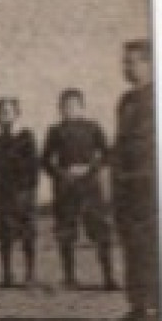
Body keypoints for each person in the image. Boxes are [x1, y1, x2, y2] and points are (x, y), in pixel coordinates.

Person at [42, 89, 115, 290]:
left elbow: (108, 154)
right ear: (60, 109)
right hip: (65, 189)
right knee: (66, 232)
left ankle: (108, 277)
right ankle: (70, 277)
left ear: (82, 107)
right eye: (65, 106)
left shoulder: (93, 127)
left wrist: (90, 168)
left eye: (73, 105)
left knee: (100, 231)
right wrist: (62, 174)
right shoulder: (54, 130)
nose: (69, 109)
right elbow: (46, 160)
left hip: (90, 188)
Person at [114, 39, 159, 321]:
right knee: (133, 245)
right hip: (127, 183)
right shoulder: (126, 100)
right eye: (125, 62)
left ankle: (156, 306)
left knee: (152, 245)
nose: (126, 67)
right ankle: (139, 306)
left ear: (150, 63)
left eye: (132, 61)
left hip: (151, 182)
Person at [0, 97, 40, 287]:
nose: (5, 114)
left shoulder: (25, 135)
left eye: (9, 111)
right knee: (5, 234)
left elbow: (33, 165)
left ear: (16, 113)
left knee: (28, 234)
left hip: (23, 193)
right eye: (1, 111)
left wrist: (29, 190)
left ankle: (30, 274)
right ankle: (7, 273)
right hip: (2, 194)